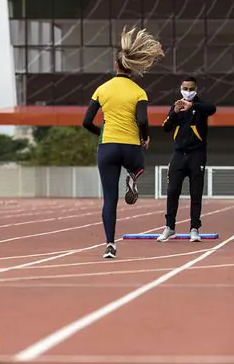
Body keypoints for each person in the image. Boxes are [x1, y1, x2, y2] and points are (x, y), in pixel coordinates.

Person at [82, 26, 164, 259]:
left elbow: (86, 121)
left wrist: (101, 133)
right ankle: (134, 177)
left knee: (109, 199)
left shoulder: (102, 89)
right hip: (130, 147)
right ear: (133, 65)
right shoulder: (139, 91)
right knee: (139, 166)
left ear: (115, 65)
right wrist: (144, 137)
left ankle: (110, 244)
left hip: (107, 146)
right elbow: (142, 119)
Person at [157, 77, 216, 243]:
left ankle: (194, 229)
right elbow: (166, 128)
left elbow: (212, 108)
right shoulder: (177, 105)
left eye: (191, 88)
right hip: (178, 154)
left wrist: (194, 105)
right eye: (185, 88)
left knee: (195, 193)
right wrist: (174, 112)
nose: (188, 91)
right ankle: (169, 227)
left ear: (196, 89)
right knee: (172, 190)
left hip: (197, 154)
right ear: (180, 88)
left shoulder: (201, 106)